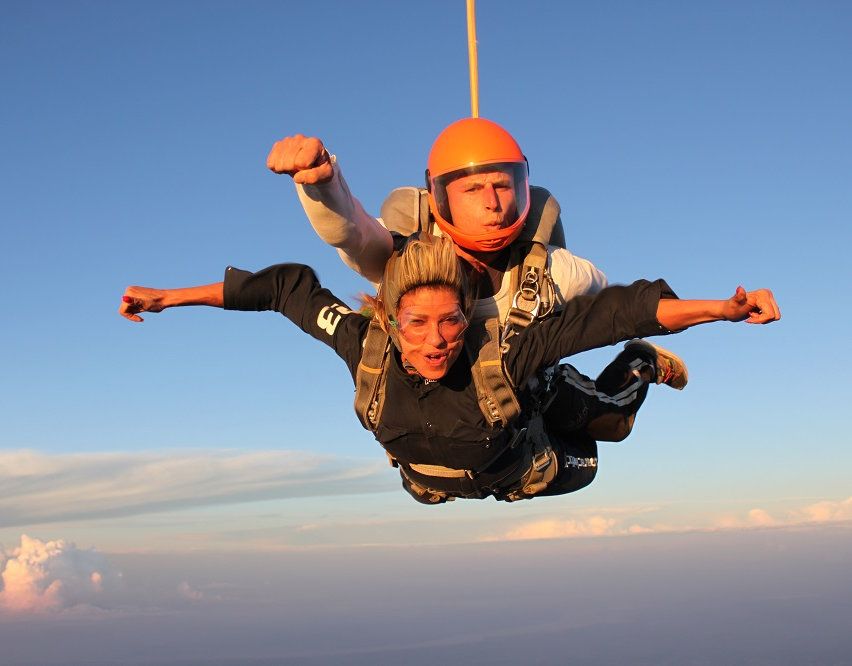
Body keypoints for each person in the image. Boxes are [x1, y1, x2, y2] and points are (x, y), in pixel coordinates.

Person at [119, 234, 780, 504]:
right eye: (417, 323)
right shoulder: (365, 348)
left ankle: (637, 372)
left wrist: (720, 309)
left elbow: (607, 316)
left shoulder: (500, 355)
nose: (436, 341)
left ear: (468, 320)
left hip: (531, 457)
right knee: (450, 464)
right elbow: (288, 290)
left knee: (611, 431)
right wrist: (168, 298)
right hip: (449, 475)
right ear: (388, 321)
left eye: (451, 322)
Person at [266, 118, 683, 444]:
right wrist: (324, 184)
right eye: (472, 189)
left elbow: (611, 306)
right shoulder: (408, 259)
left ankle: (642, 361)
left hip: (528, 385)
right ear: (440, 195)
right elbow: (353, 232)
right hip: (450, 405)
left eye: (503, 185)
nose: (492, 203)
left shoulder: (556, 269)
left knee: (610, 426)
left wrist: (696, 310)